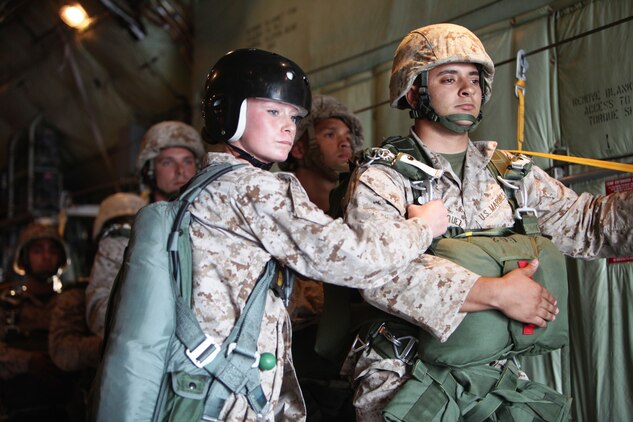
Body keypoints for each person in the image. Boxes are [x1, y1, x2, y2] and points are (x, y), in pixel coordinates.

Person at [92, 48, 448, 421]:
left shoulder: (202, 187)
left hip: (198, 388)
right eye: (273, 111)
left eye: (293, 116)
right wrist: (423, 226)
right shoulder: (254, 188)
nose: (287, 126)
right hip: (228, 401)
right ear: (228, 112)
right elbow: (355, 259)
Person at [340, 23, 633, 421]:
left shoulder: (509, 174)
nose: (467, 90)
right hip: (405, 383)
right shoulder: (384, 178)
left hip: (493, 381)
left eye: (474, 80)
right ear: (413, 91)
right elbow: (374, 268)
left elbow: (589, 224)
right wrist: (493, 292)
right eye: (449, 78)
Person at [278, 94, 365, 420]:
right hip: (293, 382)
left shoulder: (356, 216)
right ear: (299, 148)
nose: (345, 144)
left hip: (349, 383)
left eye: (349, 137)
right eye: (330, 134)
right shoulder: (277, 209)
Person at [0, 222, 74, 421]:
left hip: (64, 410)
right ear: (25, 258)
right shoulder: (7, 305)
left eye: (52, 250)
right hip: (18, 411)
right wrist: (28, 361)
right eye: (37, 250)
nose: (46, 256)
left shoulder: (72, 304)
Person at [136, 120, 206, 203]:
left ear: (198, 168)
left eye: (188, 162)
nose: (180, 171)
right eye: (167, 163)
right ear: (149, 172)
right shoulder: (139, 215)